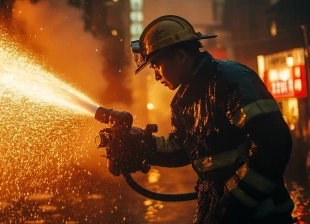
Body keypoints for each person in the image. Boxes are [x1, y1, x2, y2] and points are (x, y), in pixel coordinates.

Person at [118, 15, 294, 223]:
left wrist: (232, 206)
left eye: (157, 64)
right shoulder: (186, 99)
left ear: (181, 56)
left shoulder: (231, 80)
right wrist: (142, 147)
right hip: (219, 212)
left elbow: (273, 145)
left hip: (261, 216)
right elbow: (185, 148)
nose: (156, 75)